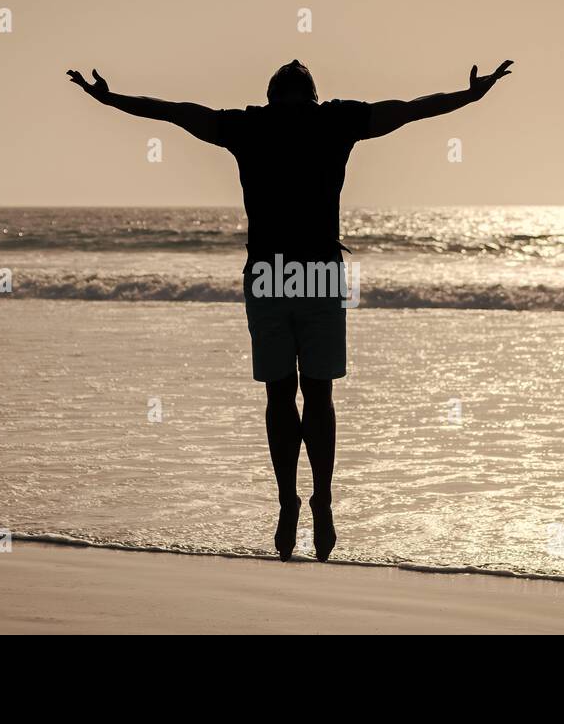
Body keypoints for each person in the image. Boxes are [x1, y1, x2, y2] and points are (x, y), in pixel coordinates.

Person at [67, 58, 512, 562]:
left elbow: (174, 112)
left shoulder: (249, 125)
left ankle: (288, 501)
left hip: (268, 274)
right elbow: (409, 111)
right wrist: (469, 96)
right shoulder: (336, 121)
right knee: (317, 396)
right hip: (320, 274)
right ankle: (320, 499)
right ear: (314, 94)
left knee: (281, 396)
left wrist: (110, 99)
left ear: (271, 95)